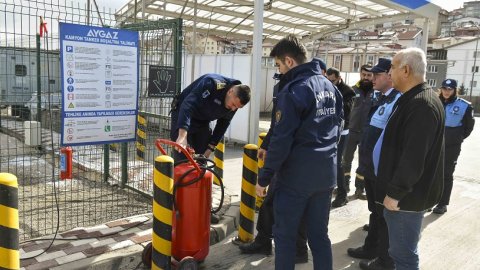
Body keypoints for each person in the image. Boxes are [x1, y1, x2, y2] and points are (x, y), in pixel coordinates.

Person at [256, 34, 343, 270]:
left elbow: (282, 141)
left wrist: (264, 178)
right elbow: (337, 129)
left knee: (284, 237)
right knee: (319, 236)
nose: (279, 71)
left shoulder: (293, 90)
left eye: (278, 65)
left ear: (289, 61)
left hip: (296, 179)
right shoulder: (330, 87)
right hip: (325, 176)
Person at [373, 48, 445, 270]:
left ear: (405, 70)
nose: (390, 72)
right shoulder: (413, 98)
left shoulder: (421, 104)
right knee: (400, 252)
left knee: (403, 256)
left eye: (392, 68)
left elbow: (413, 157)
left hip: (406, 200)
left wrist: (395, 193)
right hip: (405, 196)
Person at [238, 72, 309, 264]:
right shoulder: (283, 89)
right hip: (287, 157)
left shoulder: (301, 90)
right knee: (271, 204)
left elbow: (286, 131)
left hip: (295, 160)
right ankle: (265, 241)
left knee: (292, 206)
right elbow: (276, 124)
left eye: (279, 64)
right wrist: (266, 144)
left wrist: (266, 174)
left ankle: (298, 249)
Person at [347, 58, 400, 270]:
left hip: (381, 171)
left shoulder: (398, 100)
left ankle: (384, 260)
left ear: (390, 75)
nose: (372, 78)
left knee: (383, 216)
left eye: (377, 75)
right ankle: (372, 248)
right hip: (369, 167)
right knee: (375, 213)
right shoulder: (382, 98)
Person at [170, 73, 250, 160]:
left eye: (237, 107)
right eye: (233, 104)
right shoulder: (211, 83)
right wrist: (182, 136)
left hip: (202, 120)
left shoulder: (234, 103)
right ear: (230, 91)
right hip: (183, 114)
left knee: (201, 158)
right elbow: (188, 105)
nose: (233, 109)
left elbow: (223, 124)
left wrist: (210, 149)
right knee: (182, 154)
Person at [432, 79, 475, 214]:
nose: (446, 91)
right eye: (444, 88)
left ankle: (442, 204)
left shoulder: (464, 106)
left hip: (451, 147)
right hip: (433, 144)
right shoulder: (434, 102)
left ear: (455, 90)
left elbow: (469, 127)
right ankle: (429, 201)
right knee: (430, 173)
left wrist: (456, 138)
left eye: (449, 89)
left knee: (446, 174)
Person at [343, 64, 374, 200]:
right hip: (351, 130)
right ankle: (343, 186)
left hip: (367, 133)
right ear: (360, 74)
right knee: (346, 160)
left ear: (372, 76)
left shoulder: (377, 92)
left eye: (368, 75)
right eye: (363, 75)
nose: (366, 77)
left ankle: (360, 188)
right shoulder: (352, 90)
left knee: (364, 162)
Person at [326, 67, 356, 207]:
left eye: (333, 80)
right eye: (328, 80)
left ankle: (342, 195)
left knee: (338, 164)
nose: (330, 83)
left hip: (342, 132)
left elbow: (346, 110)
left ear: (339, 78)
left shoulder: (348, 91)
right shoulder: (326, 88)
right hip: (330, 131)